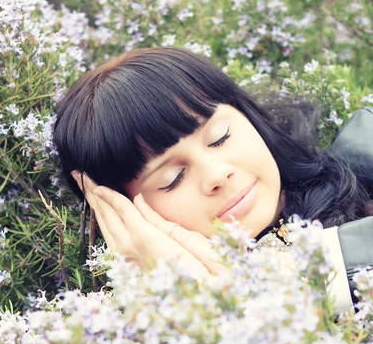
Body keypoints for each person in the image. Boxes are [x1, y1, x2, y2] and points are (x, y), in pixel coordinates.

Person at [53, 47, 373, 314]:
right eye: (172, 177)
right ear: (125, 215)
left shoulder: (364, 151)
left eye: (220, 137)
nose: (217, 175)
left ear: (247, 115)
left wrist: (254, 297)